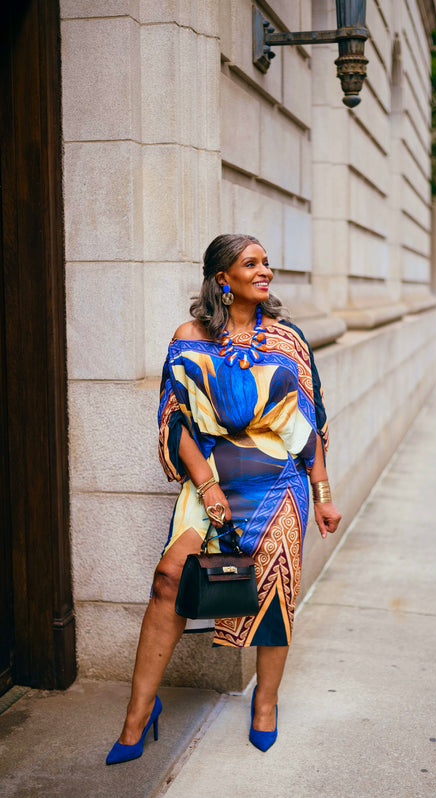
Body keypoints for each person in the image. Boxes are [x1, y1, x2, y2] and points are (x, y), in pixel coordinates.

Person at [106, 233, 342, 764]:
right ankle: (138, 716)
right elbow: (176, 418)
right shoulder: (189, 337)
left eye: (265, 263)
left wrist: (323, 497)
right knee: (169, 579)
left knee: (274, 593)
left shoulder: (288, 340)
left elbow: (310, 427)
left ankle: (265, 702)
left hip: (279, 484)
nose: (265, 272)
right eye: (250, 264)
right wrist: (206, 486)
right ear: (221, 278)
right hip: (209, 481)